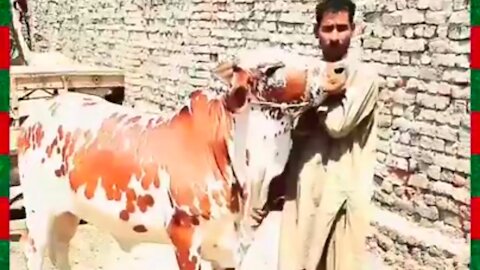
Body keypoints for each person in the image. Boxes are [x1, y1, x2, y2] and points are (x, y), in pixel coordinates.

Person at [275, 0, 380, 269]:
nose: (334, 37)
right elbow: (287, 125)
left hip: (342, 192)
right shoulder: (306, 77)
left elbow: (337, 124)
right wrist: (313, 90)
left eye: (341, 28)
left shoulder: (364, 77)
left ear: (354, 30)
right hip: (304, 190)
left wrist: (314, 96)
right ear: (316, 31)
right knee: (295, 261)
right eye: (328, 29)